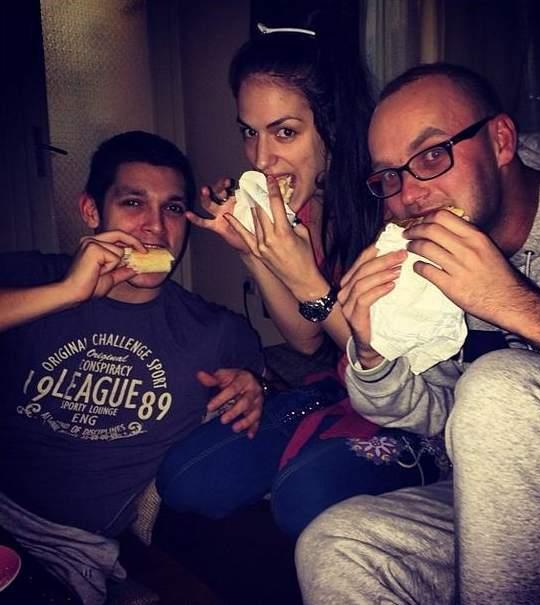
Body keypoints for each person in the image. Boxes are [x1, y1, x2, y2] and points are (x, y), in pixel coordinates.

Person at [296, 62, 540, 604]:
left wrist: (517, 306)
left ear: (501, 141)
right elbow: (443, 411)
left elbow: (501, 397)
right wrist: (372, 353)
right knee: (335, 545)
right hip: (511, 495)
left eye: (431, 156)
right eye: (389, 176)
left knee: (501, 386)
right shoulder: (428, 263)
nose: (409, 196)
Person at [156, 19, 446, 539]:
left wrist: (305, 278)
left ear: (332, 128)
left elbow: (388, 362)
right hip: (343, 384)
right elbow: (306, 338)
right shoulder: (306, 207)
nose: (260, 159)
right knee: (182, 479)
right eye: (250, 131)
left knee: (301, 496)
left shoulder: (396, 206)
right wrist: (254, 252)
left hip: (417, 403)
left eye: (284, 132)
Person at [0, 130, 265, 604]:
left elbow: (278, 371)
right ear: (91, 211)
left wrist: (255, 386)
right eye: (133, 203)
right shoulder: (33, 278)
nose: (156, 228)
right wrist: (65, 294)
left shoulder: (215, 332)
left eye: (173, 208)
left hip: (65, 553)